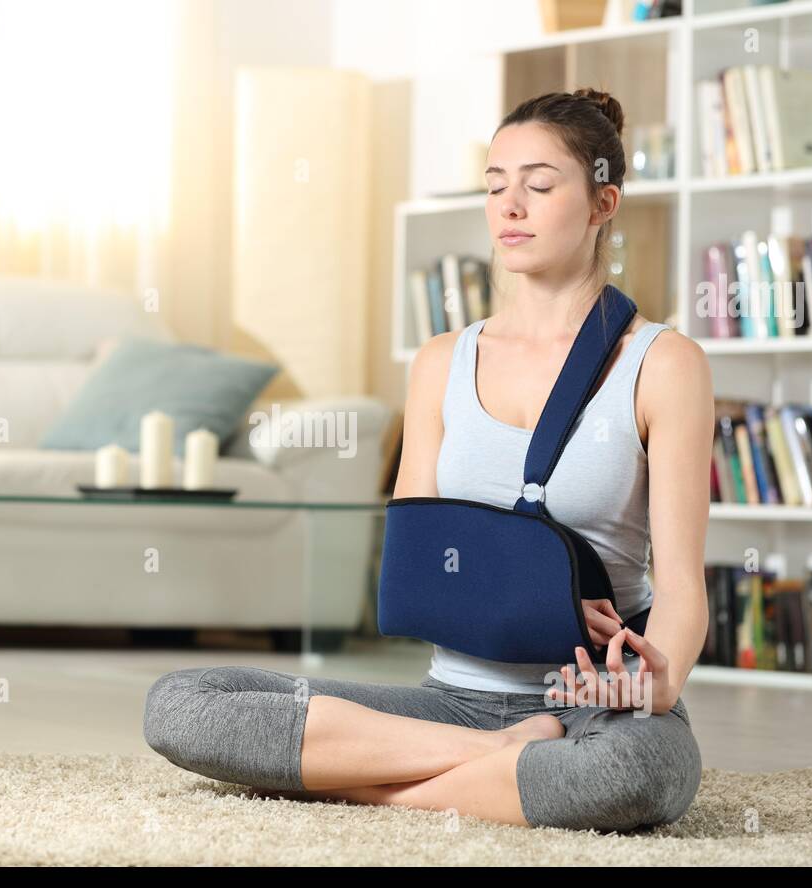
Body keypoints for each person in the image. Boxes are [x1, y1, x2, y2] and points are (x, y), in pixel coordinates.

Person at [143, 88, 714, 832]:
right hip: (450, 699)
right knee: (181, 706)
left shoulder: (664, 365)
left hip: (586, 714)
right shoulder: (442, 362)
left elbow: (680, 591)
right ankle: (494, 758)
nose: (510, 205)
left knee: (632, 777)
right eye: (495, 185)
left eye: (539, 186)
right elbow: (417, 571)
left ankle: (379, 781)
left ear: (603, 203)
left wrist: (651, 688)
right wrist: (536, 600)